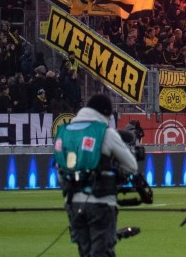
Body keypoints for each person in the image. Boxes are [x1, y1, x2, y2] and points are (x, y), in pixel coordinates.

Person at [56, 92, 139, 257]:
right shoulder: (105, 133)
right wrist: (114, 173)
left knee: (85, 252)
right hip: (101, 201)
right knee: (103, 252)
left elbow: (61, 173)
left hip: (72, 203)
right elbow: (131, 166)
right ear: (105, 114)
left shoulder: (65, 132)